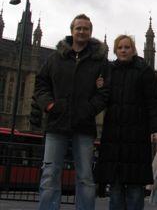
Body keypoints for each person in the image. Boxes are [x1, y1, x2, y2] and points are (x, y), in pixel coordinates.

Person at [35, 14, 109, 210]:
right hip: (56, 124)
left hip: (84, 126)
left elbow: (104, 93)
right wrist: (50, 106)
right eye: (78, 28)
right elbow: (41, 85)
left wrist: (88, 109)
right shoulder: (55, 58)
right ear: (72, 30)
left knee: (85, 176)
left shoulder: (99, 62)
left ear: (90, 32)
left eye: (85, 28)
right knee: (50, 173)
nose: (82, 31)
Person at [95, 34, 157, 210]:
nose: (124, 50)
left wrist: (155, 128)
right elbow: (102, 99)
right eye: (120, 47)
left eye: (127, 47)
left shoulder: (144, 70)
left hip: (136, 136)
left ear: (133, 49)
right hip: (114, 136)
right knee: (116, 188)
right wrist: (99, 87)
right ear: (115, 50)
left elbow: (153, 101)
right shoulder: (109, 70)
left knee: (134, 188)